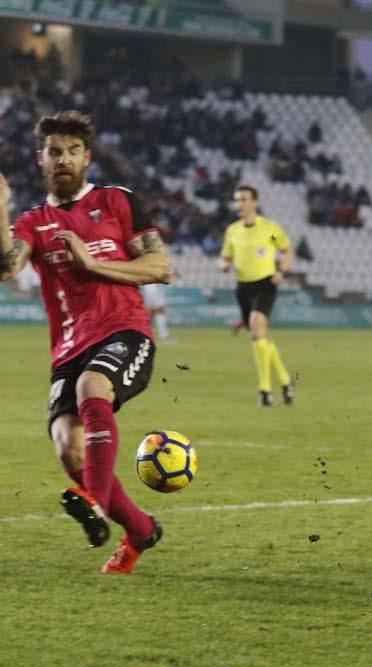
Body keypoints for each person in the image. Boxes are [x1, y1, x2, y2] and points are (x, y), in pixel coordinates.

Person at [0, 110, 173, 574]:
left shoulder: (118, 202)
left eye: (73, 151)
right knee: (66, 446)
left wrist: (93, 263)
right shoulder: (33, 222)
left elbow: (161, 268)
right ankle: (140, 531)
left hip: (125, 330)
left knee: (92, 387)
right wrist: (1, 205)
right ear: (41, 158)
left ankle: (93, 501)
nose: (64, 159)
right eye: (54, 151)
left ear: (87, 158)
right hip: (69, 350)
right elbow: (6, 267)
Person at [219, 184, 294, 407]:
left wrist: (281, 271)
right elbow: (225, 257)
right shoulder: (232, 230)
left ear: (255, 202)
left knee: (256, 329)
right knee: (261, 337)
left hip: (265, 283)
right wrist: (222, 264)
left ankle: (265, 391)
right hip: (243, 287)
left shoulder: (270, 228)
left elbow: (288, 250)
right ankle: (285, 380)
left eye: (243, 199)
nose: (238, 204)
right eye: (236, 200)